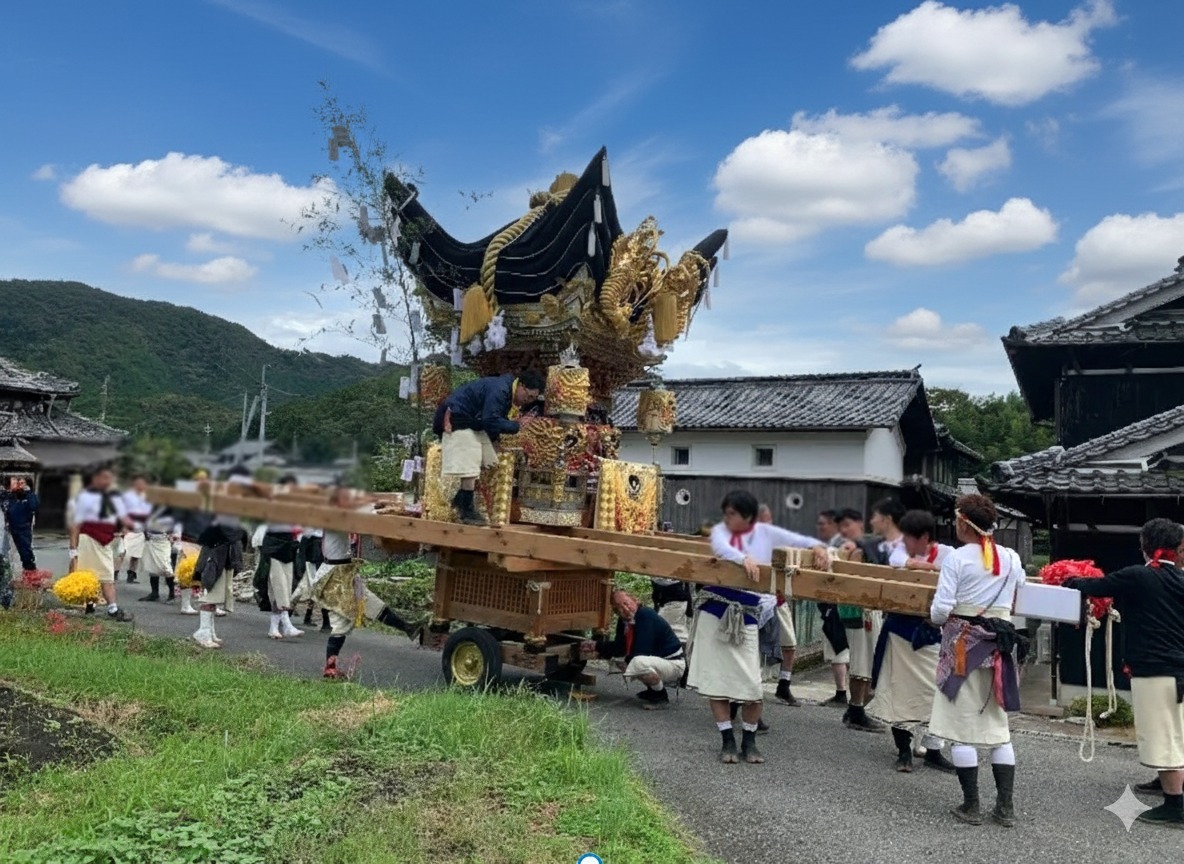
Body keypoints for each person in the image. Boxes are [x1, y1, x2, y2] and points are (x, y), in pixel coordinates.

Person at [1064, 518, 1184, 828]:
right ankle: (1166, 782)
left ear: (1147, 546)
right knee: (1176, 732)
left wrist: (1067, 578)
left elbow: (1092, 586)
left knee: (1164, 737)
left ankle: (1175, 806)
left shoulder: (1139, 576)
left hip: (1157, 670)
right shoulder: (1180, 580)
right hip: (1178, 669)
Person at [694, 490, 829, 764]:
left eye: (733, 513)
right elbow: (721, 548)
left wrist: (818, 548)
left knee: (752, 687)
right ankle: (727, 740)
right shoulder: (721, 532)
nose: (728, 518)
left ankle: (749, 741)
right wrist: (742, 558)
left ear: (748, 517)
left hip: (747, 616)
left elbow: (800, 541)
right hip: (715, 612)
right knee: (716, 682)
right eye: (726, 513)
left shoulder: (766, 533)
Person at [929, 494, 1026, 827]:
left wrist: (935, 619)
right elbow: (1020, 595)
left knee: (959, 728)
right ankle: (1006, 808)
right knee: (998, 729)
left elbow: (941, 609)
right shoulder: (1011, 557)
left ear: (962, 522)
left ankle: (971, 806)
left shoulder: (957, 558)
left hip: (963, 647)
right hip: (999, 644)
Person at [870, 509, 956, 773]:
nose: (904, 542)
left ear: (925, 537)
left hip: (932, 634)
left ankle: (933, 750)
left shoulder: (948, 554)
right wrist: (919, 565)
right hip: (899, 632)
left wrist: (929, 566)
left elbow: (955, 574)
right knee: (900, 693)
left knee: (936, 695)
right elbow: (897, 562)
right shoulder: (899, 552)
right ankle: (903, 750)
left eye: (909, 537)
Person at [308, 486, 423, 679]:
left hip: (343, 573)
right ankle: (330, 668)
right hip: (335, 576)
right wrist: (376, 509)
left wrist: (376, 505)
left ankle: (408, 628)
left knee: (371, 604)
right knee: (342, 623)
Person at [434, 369, 544, 525]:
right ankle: (466, 509)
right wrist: (516, 426)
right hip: (458, 420)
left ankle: (461, 497)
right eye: (528, 396)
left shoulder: (506, 392)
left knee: (490, 460)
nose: (528, 400)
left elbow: (493, 422)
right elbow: (491, 420)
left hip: (475, 424)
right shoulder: (500, 390)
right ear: (520, 385)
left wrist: (497, 443)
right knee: (471, 460)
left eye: (532, 399)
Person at [833, 507, 886, 733]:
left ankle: (856, 709)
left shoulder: (870, 545)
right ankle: (856, 711)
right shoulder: (853, 549)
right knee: (862, 663)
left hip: (870, 609)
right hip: (860, 610)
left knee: (869, 661)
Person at [191, 466, 253, 648]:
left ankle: (209, 631)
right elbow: (226, 530)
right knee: (211, 593)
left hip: (225, 553)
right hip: (215, 552)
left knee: (219, 594)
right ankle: (202, 632)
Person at [597, 589, 686, 708]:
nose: (625, 609)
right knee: (633, 661)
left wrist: (626, 662)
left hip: (674, 664)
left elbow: (643, 650)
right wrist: (596, 646)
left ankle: (660, 696)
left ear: (635, 600)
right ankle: (652, 690)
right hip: (658, 660)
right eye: (619, 608)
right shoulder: (624, 621)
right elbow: (619, 647)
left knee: (637, 662)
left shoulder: (645, 615)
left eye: (626, 603)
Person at [69, 466, 135, 622]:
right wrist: (73, 548)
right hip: (88, 538)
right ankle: (105, 607)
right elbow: (75, 523)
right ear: (96, 479)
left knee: (106, 574)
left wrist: (125, 527)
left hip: (106, 539)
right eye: (105, 477)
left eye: (110, 478)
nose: (109, 481)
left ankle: (104, 607)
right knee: (92, 574)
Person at [757, 502, 800, 706]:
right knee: (754, 651)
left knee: (789, 644)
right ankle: (749, 697)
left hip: (778, 598)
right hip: (756, 601)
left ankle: (784, 685)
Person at [254, 474, 305, 640]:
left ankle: (274, 627)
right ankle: (286, 624)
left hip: (288, 548)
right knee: (278, 587)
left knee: (284, 588)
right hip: (273, 548)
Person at [117, 474, 152, 584]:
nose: (140, 485)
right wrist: (122, 527)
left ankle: (131, 574)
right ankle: (114, 573)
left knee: (136, 555)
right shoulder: (128, 496)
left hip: (141, 528)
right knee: (122, 552)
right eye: (138, 483)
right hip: (128, 528)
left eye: (143, 483)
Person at [1, 475, 39, 572]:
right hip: (9, 529)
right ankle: (5, 573)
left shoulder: (29, 496)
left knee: (26, 554)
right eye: (16, 482)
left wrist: (28, 491)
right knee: (4, 554)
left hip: (23, 530)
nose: (19, 485)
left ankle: (30, 573)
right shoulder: (7, 496)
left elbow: (34, 506)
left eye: (22, 483)